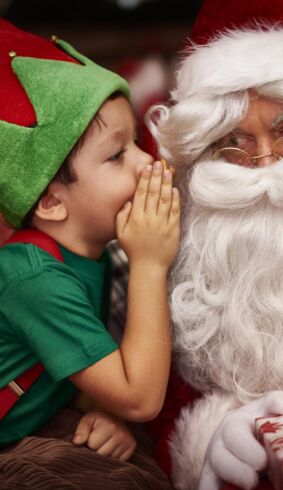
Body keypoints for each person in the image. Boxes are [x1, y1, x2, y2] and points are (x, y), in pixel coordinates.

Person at [146, 0, 283, 488]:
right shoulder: (180, 255)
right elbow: (161, 415)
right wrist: (206, 440)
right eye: (236, 142)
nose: (266, 166)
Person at [0, 19, 180, 489]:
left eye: (137, 142)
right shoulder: (33, 277)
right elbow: (140, 398)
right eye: (116, 155)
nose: (147, 162)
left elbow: (69, 368)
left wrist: (101, 407)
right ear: (52, 202)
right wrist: (150, 262)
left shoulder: (94, 251)